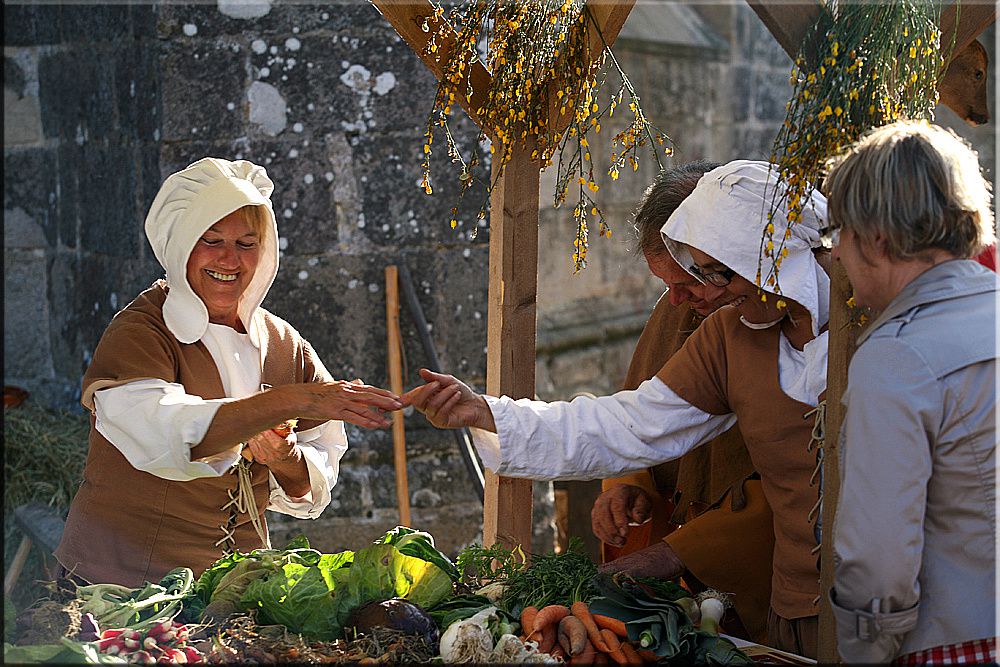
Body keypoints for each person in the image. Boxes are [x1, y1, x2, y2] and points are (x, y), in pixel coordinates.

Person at [405, 160, 831, 658]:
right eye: (703, 273)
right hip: (800, 607)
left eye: (719, 272)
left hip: (905, 608)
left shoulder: (873, 327)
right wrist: (486, 412)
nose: (711, 292)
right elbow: (627, 424)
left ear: (771, 259)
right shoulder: (729, 334)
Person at [55, 158, 403, 587]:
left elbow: (313, 479)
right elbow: (163, 430)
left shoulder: (282, 344)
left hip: (234, 595)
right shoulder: (141, 332)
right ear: (182, 244)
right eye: (211, 239)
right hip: (119, 589)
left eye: (246, 243)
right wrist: (294, 400)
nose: (229, 258)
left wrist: (284, 457)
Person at [823, 121, 996, 664]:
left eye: (838, 235)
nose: (836, 257)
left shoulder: (899, 357)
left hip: (955, 642)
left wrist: (864, 652)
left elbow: (878, 562)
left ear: (875, 238)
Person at [593, 162, 774, 644]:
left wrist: (680, 551)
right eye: (665, 285)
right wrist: (627, 484)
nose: (676, 301)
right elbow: (637, 415)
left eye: (691, 283)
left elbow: (795, 486)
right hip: (680, 589)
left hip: (769, 590)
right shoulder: (676, 310)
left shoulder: (786, 326)